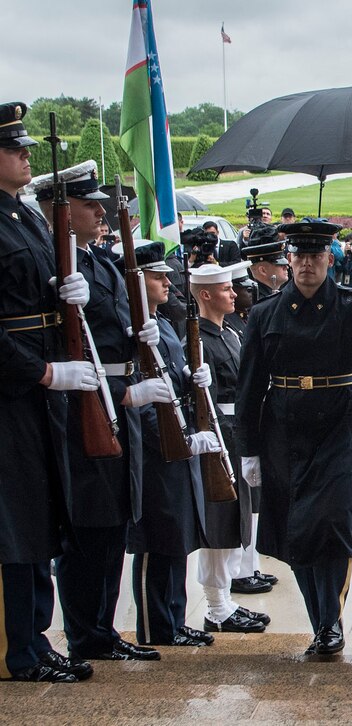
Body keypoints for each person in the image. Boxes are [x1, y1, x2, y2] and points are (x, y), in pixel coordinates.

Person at [28, 161, 163, 667]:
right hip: (88, 399)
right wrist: (124, 388)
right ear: (61, 214)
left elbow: (117, 323)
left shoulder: (101, 261)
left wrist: (144, 332)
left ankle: (102, 630)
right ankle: (84, 633)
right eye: (89, 206)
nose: (101, 212)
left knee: (114, 524)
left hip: (119, 395)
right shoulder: (58, 264)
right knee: (88, 527)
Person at [234, 221, 352, 657]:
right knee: (297, 531)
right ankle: (322, 623)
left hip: (340, 425)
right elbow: (249, 387)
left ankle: (330, 622)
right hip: (285, 429)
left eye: (316, 256)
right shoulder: (265, 314)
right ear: (288, 260)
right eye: (299, 256)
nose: (306, 264)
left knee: (333, 523)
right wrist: (249, 450)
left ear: (329, 259)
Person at [0, 101, 102, 683]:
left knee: (43, 511)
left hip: (43, 383)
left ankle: (39, 637)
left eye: (25, 147)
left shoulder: (30, 219)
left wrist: (69, 291)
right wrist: (40, 373)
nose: (24, 155)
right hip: (16, 388)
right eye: (14, 148)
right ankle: (22, 648)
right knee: (18, 518)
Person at [119, 240, 219, 648]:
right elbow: (138, 395)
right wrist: (171, 439)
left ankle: (174, 620)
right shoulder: (133, 327)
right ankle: (155, 627)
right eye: (157, 276)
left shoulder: (160, 325)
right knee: (156, 540)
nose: (167, 281)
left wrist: (194, 380)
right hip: (155, 448)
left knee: (177, 534)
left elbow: (172, 378)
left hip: (178, 441)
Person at [187, 263, 271, 635]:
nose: (234, 294)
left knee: (240, 517)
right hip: (218, 433)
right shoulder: (198, 338)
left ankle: (227, 600)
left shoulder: (231, 333)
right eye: (225, 289)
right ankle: (216, 607)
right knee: (220, 522)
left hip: (238, 431)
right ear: (205, 295)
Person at [241, 234, 289, 301]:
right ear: (263, 270)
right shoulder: (256, 300)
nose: (286, 267)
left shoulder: (272, 294)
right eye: (281, 265)